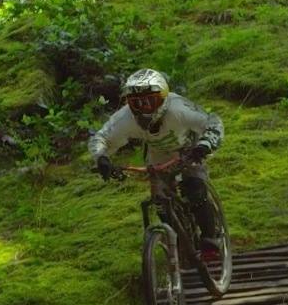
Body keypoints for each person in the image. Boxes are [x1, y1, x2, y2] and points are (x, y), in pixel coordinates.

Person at [89, 68, 224, 256]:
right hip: (157, 153)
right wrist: (102, 158)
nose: (144, 109)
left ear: (163, 98)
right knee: (160, 200)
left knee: (195, 186)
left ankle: (210, 238)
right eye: (136, 104)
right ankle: (179, 243)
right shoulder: (126, 118)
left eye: (150, 102)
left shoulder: (179, 108)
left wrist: (205, 145)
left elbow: (212, 122)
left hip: (189, 148)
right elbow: (102, 138)